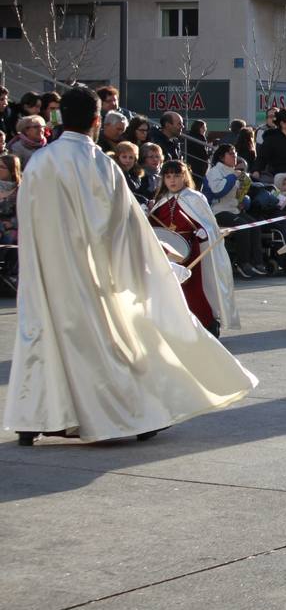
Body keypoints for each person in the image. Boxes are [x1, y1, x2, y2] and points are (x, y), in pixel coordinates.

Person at [3, 86, 256, 446]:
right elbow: (124, 226)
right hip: (91, 274)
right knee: (106, 342)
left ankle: (34, 418)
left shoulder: (40, 162)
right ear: (95, 121)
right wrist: (153, 265)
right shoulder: (99, 164)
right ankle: (127, 415)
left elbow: (26, 217)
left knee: (45, 340)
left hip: (44, 272)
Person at [150, 159, 239, 337]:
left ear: (185, 177)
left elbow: (209, 226)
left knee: (193, 288)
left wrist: (203, 233)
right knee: (169, 289)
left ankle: (208, 323)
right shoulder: (161, 201)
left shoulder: (194, 198)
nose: (172, 180)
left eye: (176, 176)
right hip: (167, 252)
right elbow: (152, 225)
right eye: (168, 177)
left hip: (191, 250)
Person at [204, 143, 268, 280]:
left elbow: (237, 194)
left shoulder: (234, 172)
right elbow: (218, 191)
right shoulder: (214, 172)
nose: (235, 157)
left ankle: (257, 262)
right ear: (222, 156)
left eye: (235, 154)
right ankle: (242, 263)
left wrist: (243, 201)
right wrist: (233, 177)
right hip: (218, 211)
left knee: (254, 225)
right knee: (243, 228)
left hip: (233, 209)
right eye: (231, 154)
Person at [0, 153, 20, 248]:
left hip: (11, 229)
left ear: (12, 171)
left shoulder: (21, 191)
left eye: (2, 167)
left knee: (10, 238)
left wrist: (13, 223)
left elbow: (26, 213)